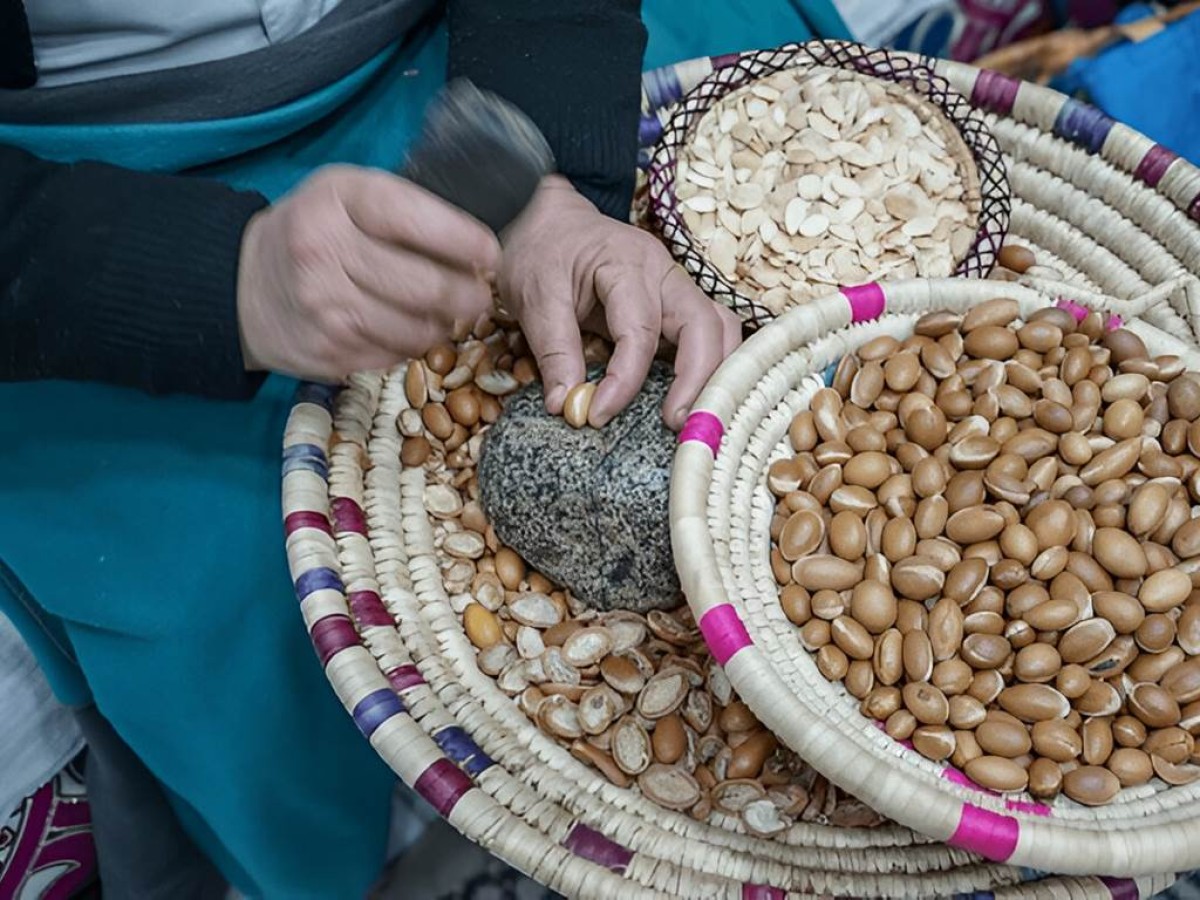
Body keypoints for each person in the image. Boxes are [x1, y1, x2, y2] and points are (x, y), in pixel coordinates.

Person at [0, 0, 850, 895]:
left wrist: (554, 174)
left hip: (474, 56)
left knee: (787, 125)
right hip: (88, 190)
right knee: (211, 594)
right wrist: (217, 281)